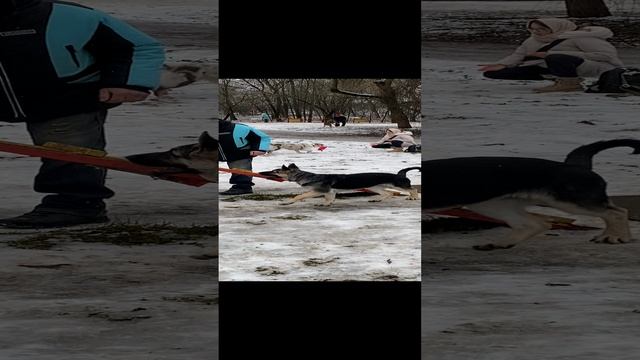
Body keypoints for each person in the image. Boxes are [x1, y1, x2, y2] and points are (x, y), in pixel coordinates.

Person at [0, 0, 164, 228]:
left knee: (68, 151)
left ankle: (74, 205)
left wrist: (130, 83)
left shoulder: (67, 16)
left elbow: (138, 46)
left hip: (66, 99)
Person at [479, 18, 623, 93]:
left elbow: (605, 56)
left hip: (595, 67)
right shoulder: (532, 40)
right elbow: (519, 55)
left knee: (555, 58)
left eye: (542, 29)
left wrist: (550, 54)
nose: (537, 32)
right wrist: (502, 64)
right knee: (494, 73)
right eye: (533, 29)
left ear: (555, 28)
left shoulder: (581, 37)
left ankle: (570, 84)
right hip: (551, 66)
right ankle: (556, 77)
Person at [219, 119, 271, 195]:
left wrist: (259, 149)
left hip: (238, 153)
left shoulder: (239, 128)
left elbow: (262, 137)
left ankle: (243, 186)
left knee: (240, 166)